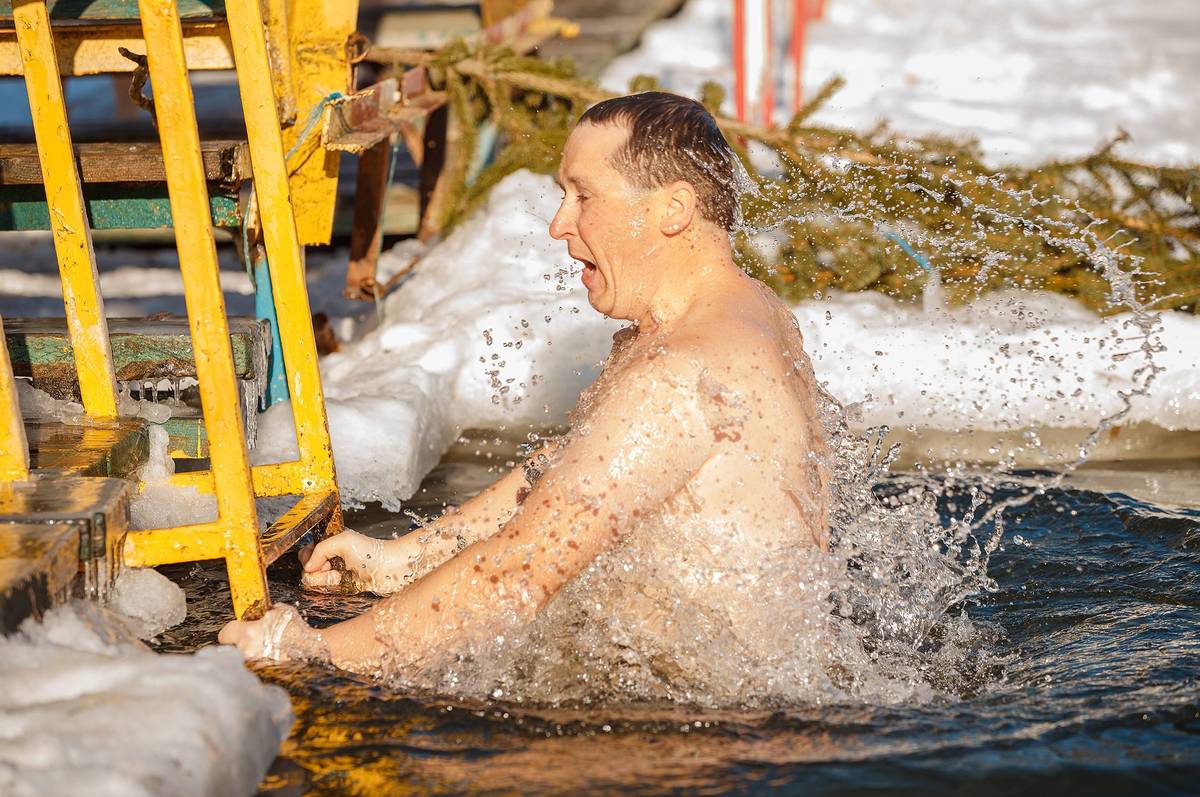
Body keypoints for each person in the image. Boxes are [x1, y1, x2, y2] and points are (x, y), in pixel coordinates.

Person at [219, 92, 832, 677]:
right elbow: (571, 474)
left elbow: (519, 572)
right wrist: (400, 561)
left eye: (583, 196)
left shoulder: (677, 374)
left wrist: (312, 651)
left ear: (673, 210)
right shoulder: (751, 312)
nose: (559, 224)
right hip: (734, 694)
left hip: (705, 727)